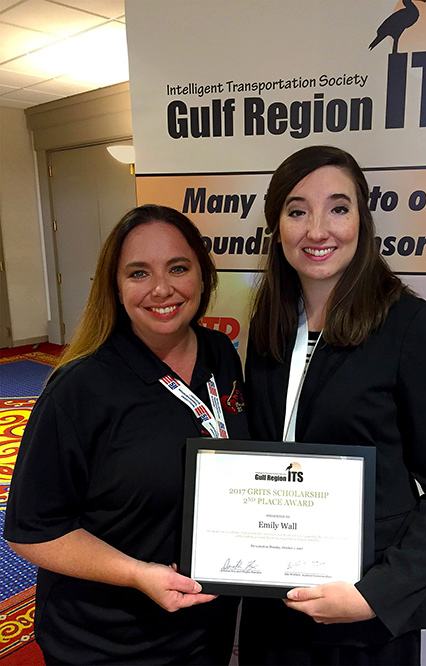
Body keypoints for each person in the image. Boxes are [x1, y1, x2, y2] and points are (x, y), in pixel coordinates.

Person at [239, 146, 426, 666]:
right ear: (277, 226)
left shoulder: (411, 327)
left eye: (339, 207)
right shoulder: (269, 324)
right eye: (297, 210)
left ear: (362, 220)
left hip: (363, 620)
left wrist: (374, 595)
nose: (318, 229)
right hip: (272, 606)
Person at [4, 205, 249, 665]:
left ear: (202, 274)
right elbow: (30, 532)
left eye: (178, 267)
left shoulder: (220, 354)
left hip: (204, 629)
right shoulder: (80, 388)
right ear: (116, 288)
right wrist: (137, 574)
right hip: (110, 643)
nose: (162, 289)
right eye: (139, 273)